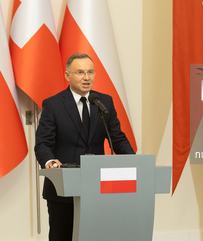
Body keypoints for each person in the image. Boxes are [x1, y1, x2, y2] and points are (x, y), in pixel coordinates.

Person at [35, 53, 135, 241]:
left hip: (97, 187)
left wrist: (135, 162)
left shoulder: (104, 102)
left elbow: (118, 139)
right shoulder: (54, 104)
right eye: (80, 72)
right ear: (67, 75)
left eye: (90, 72)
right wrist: (49, 161)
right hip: (63, 188)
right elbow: (43, 143)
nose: (86, 77)